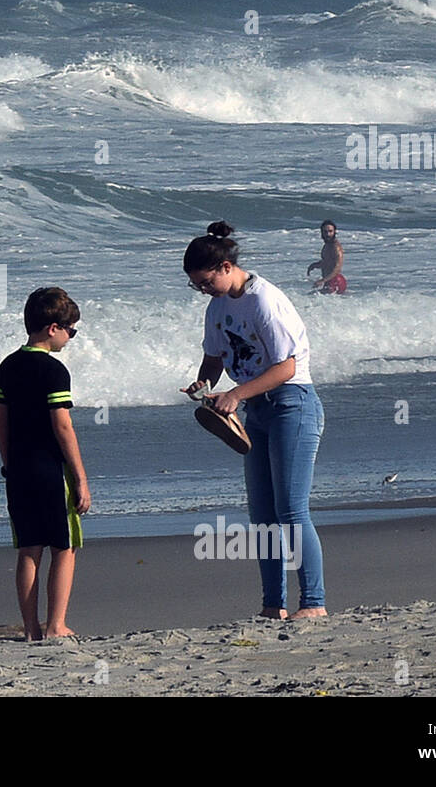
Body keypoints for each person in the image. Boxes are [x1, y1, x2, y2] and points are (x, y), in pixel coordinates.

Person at [181, 222, 326, 620]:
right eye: (196, 285)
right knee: (262, 517)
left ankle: (313, 603)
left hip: (292, 403)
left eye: (206, 281)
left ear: (226, 266)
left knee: (292, 510)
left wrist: (234, 394)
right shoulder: (217, 308)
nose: (203, 290)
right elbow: (214, 358)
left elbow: (287, 366)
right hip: (256, 411)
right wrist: (204, 384)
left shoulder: (264, 300)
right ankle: (272, 604)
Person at [0, 287, 91, 640]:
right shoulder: (53, 371)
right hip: (51, 469)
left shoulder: (8, 366)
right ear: (53, 328)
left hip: (17, 469)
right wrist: (79, 477)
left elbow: (1, 423)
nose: (71, 338)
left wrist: (9, 463)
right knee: (64, 547)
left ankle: (32, 628)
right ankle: (57, 624)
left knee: (29, 549)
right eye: (71, 331)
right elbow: (62, 426)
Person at [306, 220, 346, 294]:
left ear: (335, 232)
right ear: (321, 233)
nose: (328, 234)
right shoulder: (327, 245)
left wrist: (323, 280)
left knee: (312, 296)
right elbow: (327, 262)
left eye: (330, 231)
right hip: (329, 281)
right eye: (325, 232)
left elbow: (337, 268)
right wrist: (315, 265)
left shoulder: (336, 247)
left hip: (336, 281)